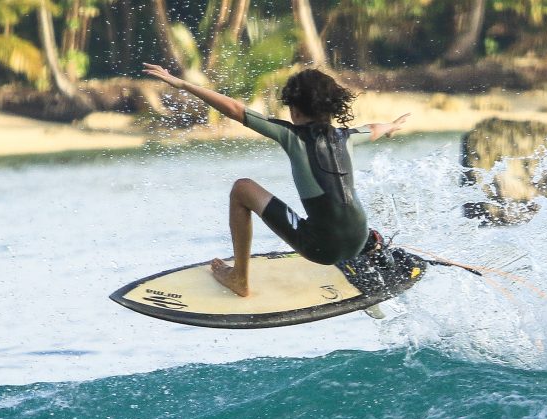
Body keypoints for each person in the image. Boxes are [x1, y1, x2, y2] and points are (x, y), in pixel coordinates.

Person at [143, 62, 409, 296]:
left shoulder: (291, 136)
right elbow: (374, 129)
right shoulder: (347, 136)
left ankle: (239, 278)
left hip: (323, 249)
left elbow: (236, 109)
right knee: (344, 208)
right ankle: (372, 250)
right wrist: (392, 126)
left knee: (242, 189)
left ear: (294, 109)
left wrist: (182, 84)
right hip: (359, 238)